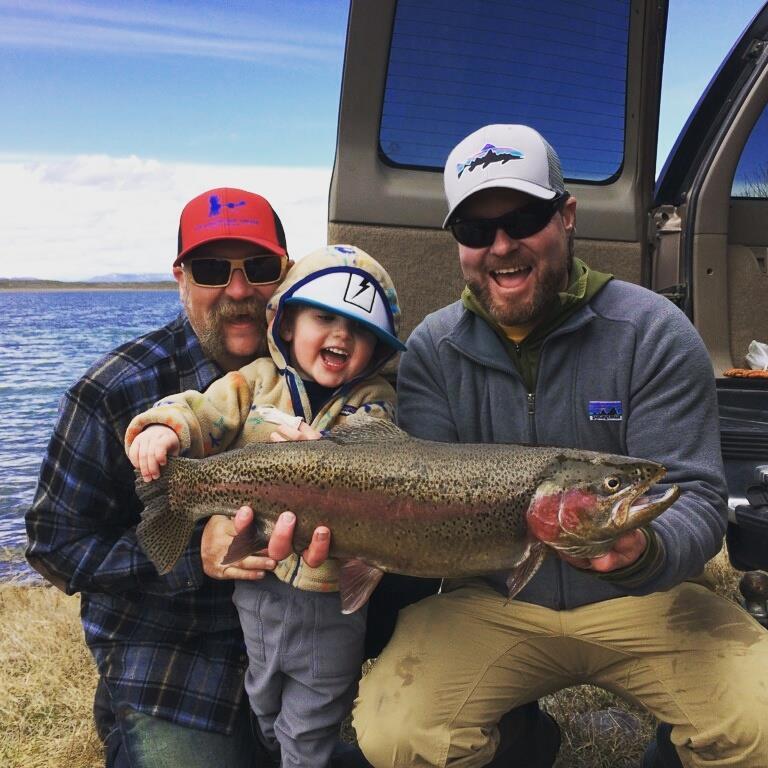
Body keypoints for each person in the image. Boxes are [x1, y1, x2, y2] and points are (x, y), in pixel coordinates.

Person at [351, 125, 768, 768]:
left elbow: (698, 495)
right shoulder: (432, 349)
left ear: (566, 216)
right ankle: (522, 746)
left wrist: (642, 552)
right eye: (475, 230)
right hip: (493, 602)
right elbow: (414, 496)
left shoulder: (652, 332)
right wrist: (348, 534)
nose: (501, 245)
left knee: (760, 722)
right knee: (397, 734)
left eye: (523, 217)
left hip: (648, 599)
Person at [25, 187, 333, 768]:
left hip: (291, 651)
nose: (239, 291)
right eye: (213, 269)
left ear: (285, 273)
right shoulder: (113, 392)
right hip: (170, 661)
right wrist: (196, 554)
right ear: (181, 276)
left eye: (259, 268)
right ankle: (122, 717)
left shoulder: (327, 370)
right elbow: (55, 545)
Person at [124, 243, 406, 768]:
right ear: (287, 322)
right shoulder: (253, 382)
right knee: (264, 707)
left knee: (310, 724)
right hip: (257, 597)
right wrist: (165, 428)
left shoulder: (375, 401)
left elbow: (370, 454)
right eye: (325, 317)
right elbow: (201, 412)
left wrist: (318, 454)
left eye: (361, 330)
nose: (342, 336)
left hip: (328, 607)